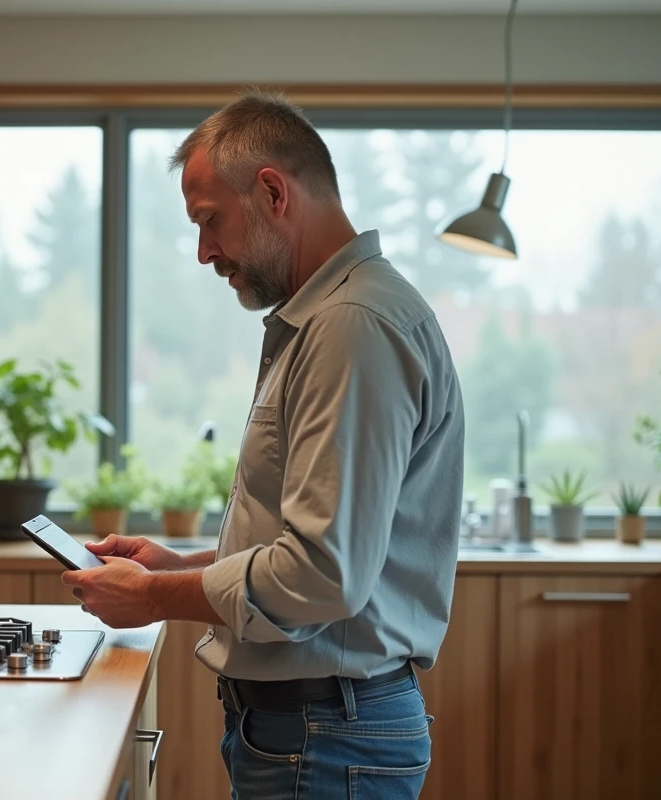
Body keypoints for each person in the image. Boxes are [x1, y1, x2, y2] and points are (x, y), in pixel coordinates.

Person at [61, 90, 465, 800]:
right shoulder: (331, 319)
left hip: (325, 734)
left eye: (209, 221)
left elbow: (320, 575)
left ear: (272, 192)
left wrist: (156, 594)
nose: (202, 251)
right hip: (316, 731)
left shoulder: (351, 326)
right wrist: (185, 563)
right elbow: (305, 542)